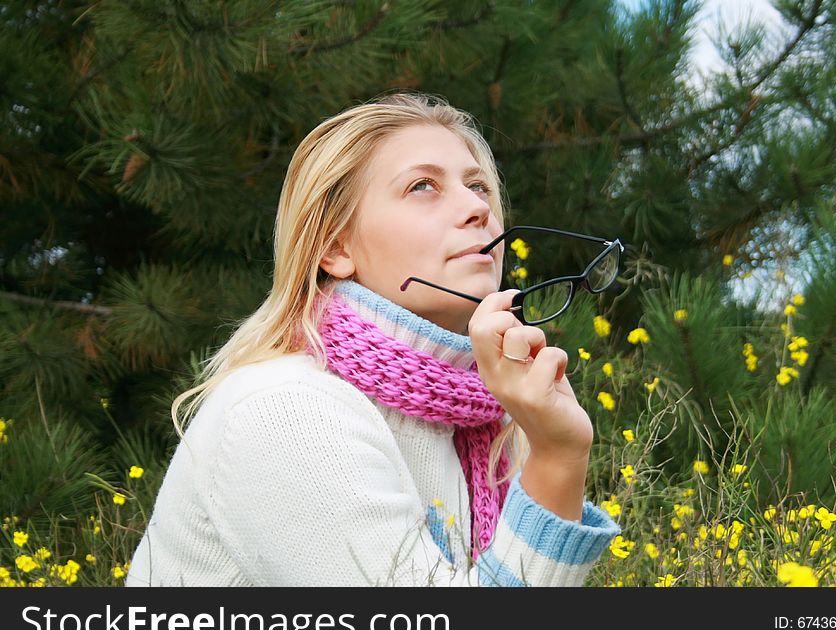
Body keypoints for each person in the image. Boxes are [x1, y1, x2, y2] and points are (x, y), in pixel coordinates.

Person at [126, 91, 621, 587]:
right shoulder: (284, 408)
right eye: (423, 186)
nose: (476, 208)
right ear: (336, 248)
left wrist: (557, 450)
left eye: (478, 187)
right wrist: (557, 458)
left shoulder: (487, 426)